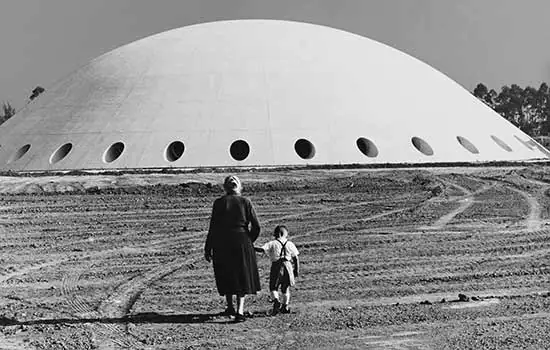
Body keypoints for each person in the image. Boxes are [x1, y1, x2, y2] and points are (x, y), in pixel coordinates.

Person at [204, 175, 261, 322]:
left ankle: (230, 306)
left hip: (222, 242)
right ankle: (239, 311)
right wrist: (249, 240)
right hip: (242, 241)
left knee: (226, 273)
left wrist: (208, 247)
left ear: (225, 187)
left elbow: (213, 227)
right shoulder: (245, 202)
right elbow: (256, 226)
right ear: (240, 187)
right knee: (241, 275)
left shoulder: (219, 203)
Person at [255, 225, 300, 315]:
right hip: (288, 266)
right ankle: (285, 306)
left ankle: (276, 300)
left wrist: (251, 247)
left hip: (276, 266)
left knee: (273, 287)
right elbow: (296, 258)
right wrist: (296, 270)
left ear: (277, 233)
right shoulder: (290, 243)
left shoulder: (272, 243)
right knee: (285, 288)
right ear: (284, 234)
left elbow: (262, 249)